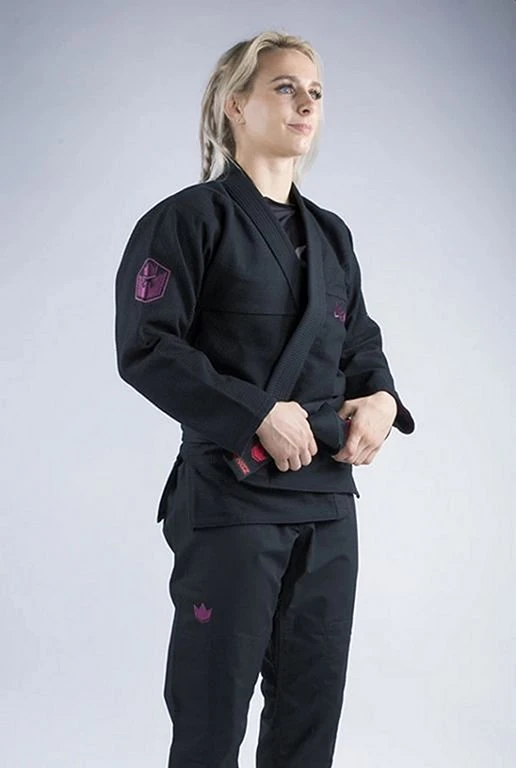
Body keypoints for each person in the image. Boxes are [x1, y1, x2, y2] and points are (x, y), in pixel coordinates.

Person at [114, 29, 415, 768]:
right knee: (211, 717)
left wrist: (381, 400)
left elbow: (359, 345)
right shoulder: (187, 221)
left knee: (311, 715)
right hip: (232, 498)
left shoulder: (333, 236)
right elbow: (147, 346)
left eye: (315, 91)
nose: (306, 103)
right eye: (285, 87)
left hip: (327, 504)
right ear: (234, 104)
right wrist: (255, 413)